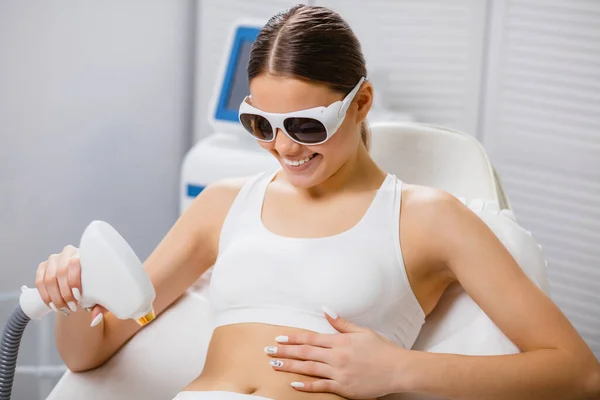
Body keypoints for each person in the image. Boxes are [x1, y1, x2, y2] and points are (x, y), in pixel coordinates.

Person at [34, 4, 600, 400]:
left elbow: (578, 375)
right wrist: (75, 300)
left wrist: (401, 370)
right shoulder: (223, 204)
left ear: (362, 103)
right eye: (260, 123)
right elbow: (91, 354)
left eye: (306, 125)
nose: (282, 147)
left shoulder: (428, 217)